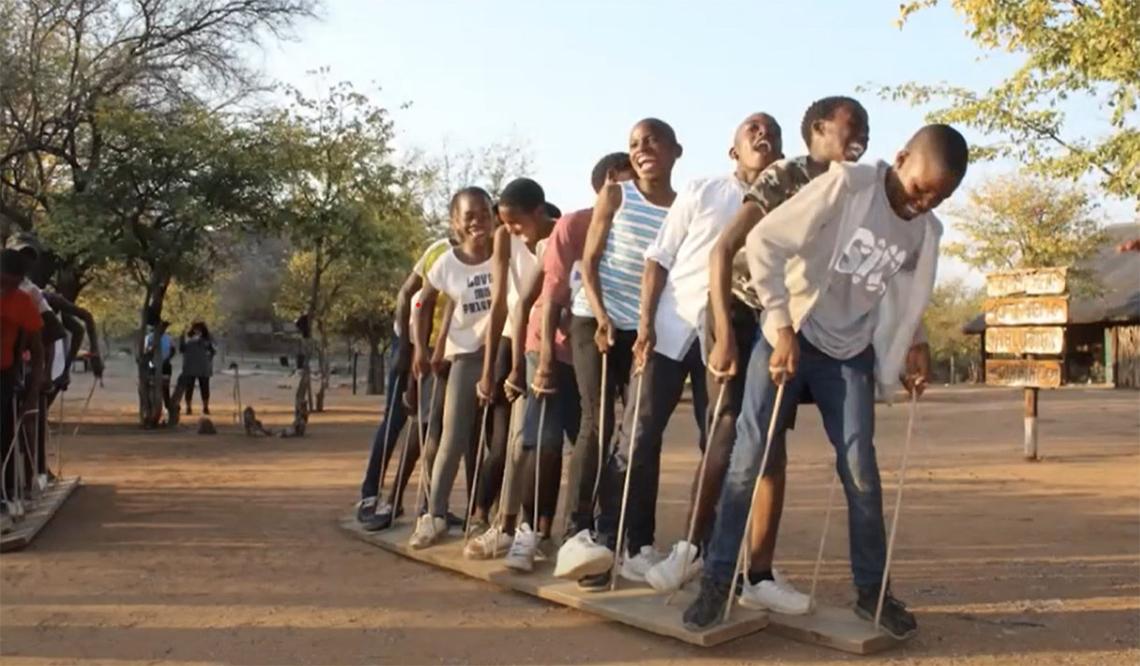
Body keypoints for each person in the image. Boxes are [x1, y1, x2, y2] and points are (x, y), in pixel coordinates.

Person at [684, 124, 970, 640]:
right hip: (791, 332)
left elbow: (905, 290)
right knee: (748, 456)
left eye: (939, 197)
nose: (924, 203)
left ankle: (873, 594)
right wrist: (780, 325)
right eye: (920, 187)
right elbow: (765, 242)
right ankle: (718, 580)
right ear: (901, 158)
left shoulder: (924, 231)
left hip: (849, 351)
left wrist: (915, 341)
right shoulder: (847, 186)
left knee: (861, 469)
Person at [557, 113, 783, 588]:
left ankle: (701, 552)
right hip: (670, 326)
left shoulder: (786, 205)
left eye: (771, 133)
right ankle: (605, 543)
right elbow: (657, 260)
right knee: (636, 433)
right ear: (733, 150)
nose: (762, 136)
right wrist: (644, 327)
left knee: (718, 442)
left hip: (728, 337)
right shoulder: (703, 191)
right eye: (752, 130)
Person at [690, 96, 872, 613]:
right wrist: (725, 332)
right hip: (744, 309)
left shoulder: (857, 190)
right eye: (850, 125)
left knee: (772, 446)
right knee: (732, 438)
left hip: (789, 322)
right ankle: (697, 558)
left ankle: (759, 574)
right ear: (818, 130)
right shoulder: (783, 177)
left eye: (867, 127)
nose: (861, 134)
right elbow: (724, 250)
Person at [555, 118, 682, 590]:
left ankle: (637, 544)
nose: (641, 148)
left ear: (675, 150)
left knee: (644, 433)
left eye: (651, 140)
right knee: (599, 421)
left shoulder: (682, 207)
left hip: (647, 328)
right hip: (597, 320)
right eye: (633, 143)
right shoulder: (615, 194)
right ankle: (581, 536)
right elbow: (587, 262)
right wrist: (604, 316)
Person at [464, 179, 559, 559]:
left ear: (537, 212)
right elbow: (504, 303)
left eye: (517, 221)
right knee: (506, 441)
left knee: (538, 442)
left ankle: (537, 529)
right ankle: (493, 520)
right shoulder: (505, 237)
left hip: (543, 344)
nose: (511, 229)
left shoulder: (558, 235)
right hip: (509, 342)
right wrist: (493, 368)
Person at [409, 187, 497, 549]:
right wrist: (421, 346)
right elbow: (420, 302)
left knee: (494, 440)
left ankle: (483, 516)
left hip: (503, 351)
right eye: (468, 216)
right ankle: (435, 514)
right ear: (455, 222)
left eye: (483, 213)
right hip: (466, 354)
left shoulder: (506, 249)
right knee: (453, 435)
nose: (477, 222)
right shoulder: (448, 262)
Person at [355, 237, 451, 531]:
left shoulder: (489, 257)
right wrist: (406, 351)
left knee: (434, 423)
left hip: (445, 346)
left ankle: (429, 505)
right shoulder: (439, 251)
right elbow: (407, 294)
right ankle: (370, 495)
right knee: (396, 418)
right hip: (411, 339)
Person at [1, 250, 44, 528]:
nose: (6, 289)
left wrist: (32, 394)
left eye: (14, 284)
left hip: (3, 376)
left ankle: (7, 497)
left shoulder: (23, 302)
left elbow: (37, 350)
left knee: (4, 439)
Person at [178, 322, 216, 415]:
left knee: (204, 388)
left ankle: (205, 407)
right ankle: (188, 407)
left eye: (199, 329)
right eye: (196, 329)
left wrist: (208, 360)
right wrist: (181, 337)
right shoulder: (188, 339)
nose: (197, 331)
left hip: (202, 368)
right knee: (189, 389)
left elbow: (213, 351)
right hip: (190, 367)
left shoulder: (207, 340)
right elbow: (182, 349)